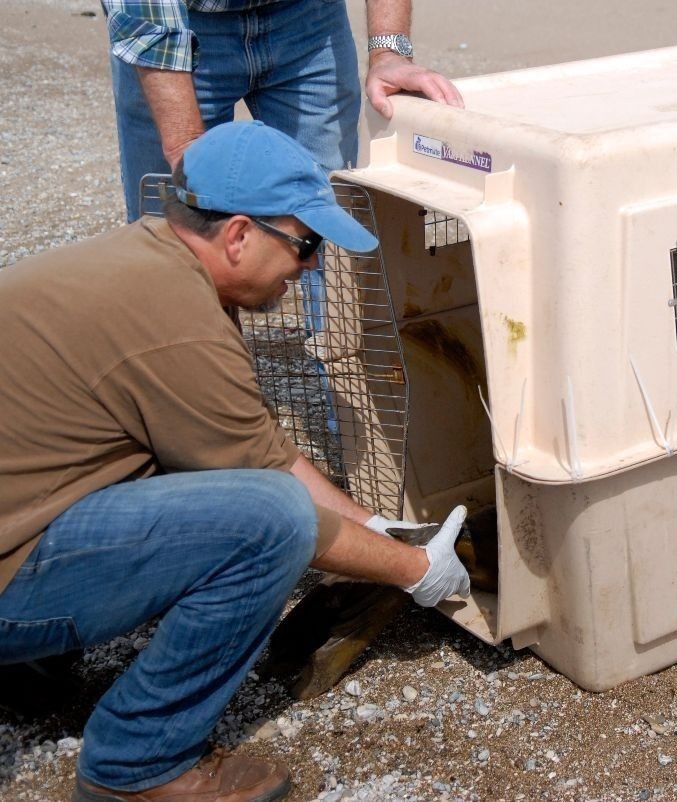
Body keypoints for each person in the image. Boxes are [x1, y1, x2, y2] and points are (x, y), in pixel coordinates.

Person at [0, 121, 471, 802]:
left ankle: (30, 664)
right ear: (240, 233)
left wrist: (376, 527)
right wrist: (416, 572)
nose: (312, 266)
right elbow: (273, 500)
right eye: (306, 245)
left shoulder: (146, 265)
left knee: (217, 485)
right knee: (270, 521)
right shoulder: (175, 325)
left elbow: (261, 451)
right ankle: (139, 765)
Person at [102, 0, 464, 220]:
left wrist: (388, 51)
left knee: (327, 209)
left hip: (308, 19)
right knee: (176, 224)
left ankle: (332, 345)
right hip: (181, 21)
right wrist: (184, 144)